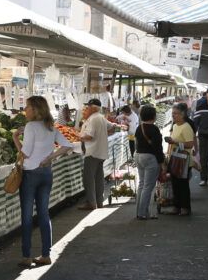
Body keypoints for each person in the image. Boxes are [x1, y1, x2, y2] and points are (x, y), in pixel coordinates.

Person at [12, 95, 73, 268]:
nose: (25, 110)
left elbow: (26, 153)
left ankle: (26, 256)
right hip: (46, 173)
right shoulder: (49, 126)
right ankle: (46, 254)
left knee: (27, 215)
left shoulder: (31, 127)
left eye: (27, 107)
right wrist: (50, 158)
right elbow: (68, 145)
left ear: (35, 109)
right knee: (44, 214)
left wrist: (15, 138)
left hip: (30, 173)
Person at [78, 99, 124, 210]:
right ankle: (99, 201)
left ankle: (91, 202)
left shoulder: (93, 119)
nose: (86, 109)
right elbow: (112, 126)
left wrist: (78, 137)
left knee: (88, 179)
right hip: (101, 152)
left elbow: (90, 136)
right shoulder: (101, 117)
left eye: (88, 107)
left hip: (92, 152)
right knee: (98, 178)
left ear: (93, 108)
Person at [163, 103, 195, 216]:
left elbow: (190, 144)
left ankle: (185, 208)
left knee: (183, 185)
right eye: (172, 114)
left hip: (184, 161)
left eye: (175, 114)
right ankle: (176, 207)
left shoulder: (186, 127)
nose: (173, 116)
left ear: (183, 114)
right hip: (175, 159)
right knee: (175, 184)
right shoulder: (175, 126)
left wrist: (175, 142)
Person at [134, 105, 165, 220]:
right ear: (153, 116)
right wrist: (162, 163)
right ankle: (142, 213)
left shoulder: (139, 127)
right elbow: (158, 148)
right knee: (147, 186)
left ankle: (140, 212)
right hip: (150, 158)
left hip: (138, 156)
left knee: (142, 185)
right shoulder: (154, 129)